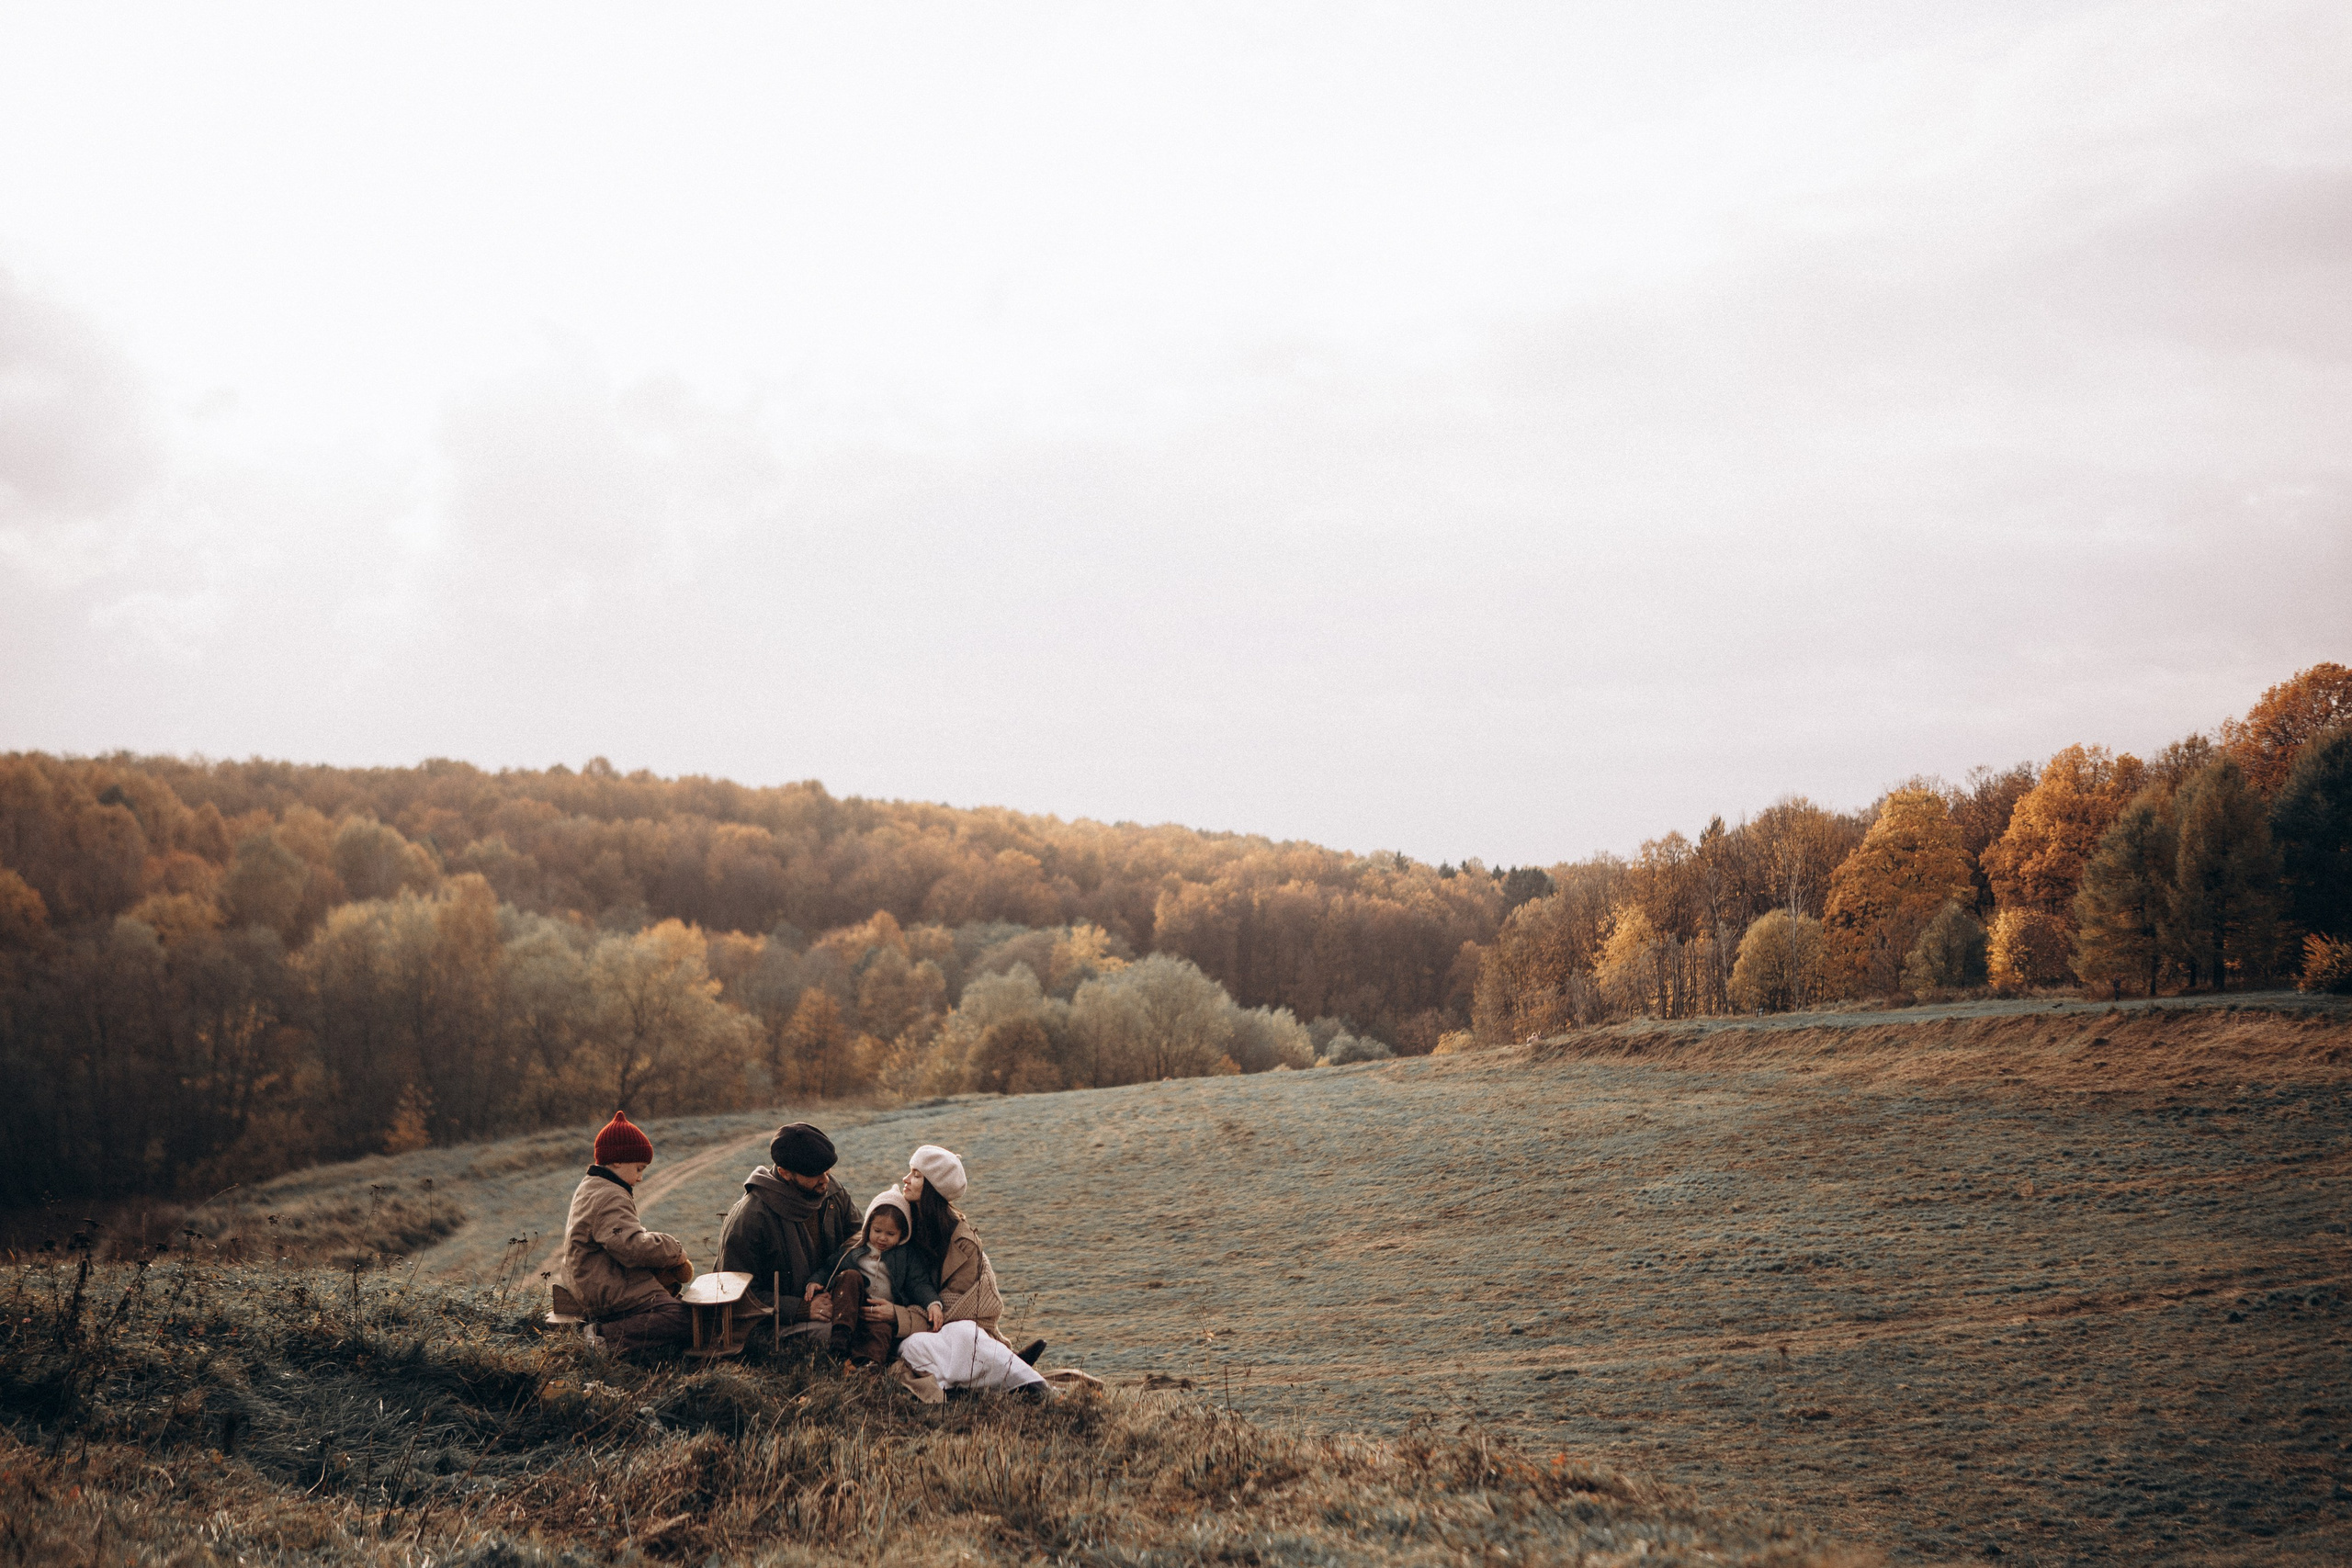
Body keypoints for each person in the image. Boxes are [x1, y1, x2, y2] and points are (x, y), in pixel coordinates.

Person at [891, 1143, 1050, 1398]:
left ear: (933, 1186)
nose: (906, 1179)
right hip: (912, 1332)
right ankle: (988, 1378)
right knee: (914, 1347)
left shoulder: (964, 1242)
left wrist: (900, 1314)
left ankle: (1033, 1386)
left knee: (964, 1335)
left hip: (946, 1326)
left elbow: (955, 1310)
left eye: (916, 1175)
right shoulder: (897, 1218)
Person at [556, 1111, 694, 1356]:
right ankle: (601, 1338)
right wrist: (674, 1249)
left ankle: (617, 1332)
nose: (640, 1178)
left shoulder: (593, 1186)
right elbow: (631, 1247)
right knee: (685, 1318)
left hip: (594, 1276)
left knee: (674, 1303)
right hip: (604, 1286)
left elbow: (619, 1239)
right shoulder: (610, 1195)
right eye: (639, 1168)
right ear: (618, 1161)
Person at [717, 1121, 858, 1340]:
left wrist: (834, 1282)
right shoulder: (750, 1218)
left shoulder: (832, 1192)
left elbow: (861, 1238)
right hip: (776, 1322)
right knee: (841, 1334)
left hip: (833, 1298)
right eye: (814, 1174)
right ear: (784, 1172)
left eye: (827, 1170)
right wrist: (801, 1308)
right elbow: (736, 1295)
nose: (825, 1180)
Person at [816, 1189, 943, 1366]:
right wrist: (815, 1282)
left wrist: (933, 1303)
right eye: (877, 1231)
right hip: (852, 1306)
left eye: (891, 1234)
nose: (882, 1238)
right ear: (868, 1226)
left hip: (881, 1314)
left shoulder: (906, 1255)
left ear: (902, 1234)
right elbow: (830, 1267)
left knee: (881, 1333)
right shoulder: (855, 1248)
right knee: (850, 1276)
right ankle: (839, 1345)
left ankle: (867, 1365)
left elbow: (919, 1283)